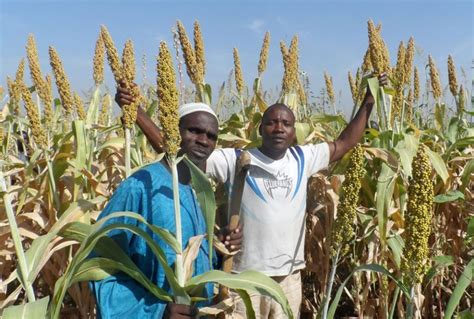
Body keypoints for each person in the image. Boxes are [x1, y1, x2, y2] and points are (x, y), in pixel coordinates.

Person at [115, 74, 387, 318]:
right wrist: (136, 111)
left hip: (288, 279)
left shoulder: (303, 158)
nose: (279, 128)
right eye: (271, 123)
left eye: (286, 123)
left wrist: (368, 102)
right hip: (244, 280)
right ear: (260, 129)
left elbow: (345, 143)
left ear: (294, 132)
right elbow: (178, 153)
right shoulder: (235, 159)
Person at [91, 100, 243, 319]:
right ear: (173, 132)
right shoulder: (140, 185)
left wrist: (217, 249)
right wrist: (156, 311)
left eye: (211, 136)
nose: (203, 141)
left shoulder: (196, 191)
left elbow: (189, 258)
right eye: (194, 131)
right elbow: (99, 264)